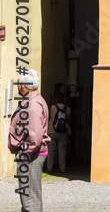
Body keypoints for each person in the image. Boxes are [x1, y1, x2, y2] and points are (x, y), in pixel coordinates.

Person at [7, 68, 49, 211]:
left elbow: (35, 136)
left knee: (29, 199)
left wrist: (24, 154)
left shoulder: (32, 105)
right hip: (31, 153)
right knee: (30, 197)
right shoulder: (34, 101)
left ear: (24, 85)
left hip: (31, 155)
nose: (18, 85)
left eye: (18, 82)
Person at [47, 94, 71, 173]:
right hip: (63, 132)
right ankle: (62, 168)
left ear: (56, 100)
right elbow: (67, 120)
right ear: (64, 100)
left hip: (52, 131)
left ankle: (49, 168)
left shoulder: (53, 108)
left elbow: (52, 118)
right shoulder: (68, 109)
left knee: (51, 151)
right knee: (62, 151)